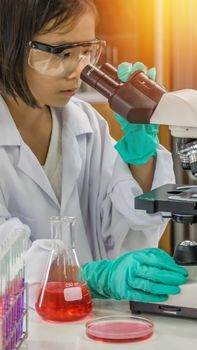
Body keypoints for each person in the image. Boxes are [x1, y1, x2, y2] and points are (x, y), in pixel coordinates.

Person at [0, 0, 187, 307]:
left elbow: (125, 231)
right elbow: (5, 260)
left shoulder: (86, 123)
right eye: (62, 53)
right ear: (8, 46)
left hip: (89, 322)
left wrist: (139, 156)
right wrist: (94, 276)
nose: (79, 71)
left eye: (86, 52)